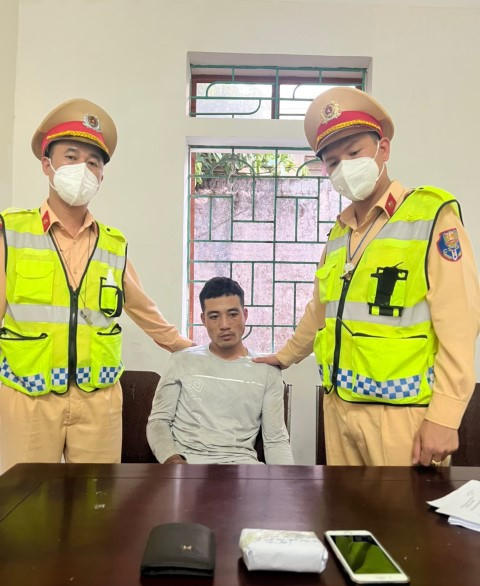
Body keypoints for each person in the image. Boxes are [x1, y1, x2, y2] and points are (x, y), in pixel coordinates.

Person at [255, 87, 479, 467]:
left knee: (404, 509)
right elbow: (320, 310)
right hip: (339, 407)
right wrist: (284, 356)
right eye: (332, 162)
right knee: (345, 506)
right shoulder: (338, 233)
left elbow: (461, 321)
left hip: (403, 415)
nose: (344, 167)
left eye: (354, 153)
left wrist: (445, 415)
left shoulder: (430, 216)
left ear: (383, 149)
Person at [0, 98, 191, 470]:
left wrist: (195, 350)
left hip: (98, 398)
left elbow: (145, 311)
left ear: (102, 175)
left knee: (98, 497)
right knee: (24, 497)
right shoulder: (13, 231)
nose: (83, 170)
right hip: (28, 393)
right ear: (47, 164)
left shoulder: (112, 244)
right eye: (71, 157)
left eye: (93, 162)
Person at [147, 277, 294, 464]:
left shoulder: (267, 371)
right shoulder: (181, 361)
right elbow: (159, 422)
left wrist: (285, 480)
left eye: (232, 314)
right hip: (187, 466)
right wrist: (173, 461)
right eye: (214, 316)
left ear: (245, 314)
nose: (224, 325)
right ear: (203, 319)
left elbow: (275, 440)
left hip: (242, 467)